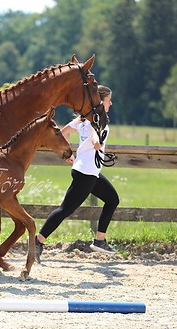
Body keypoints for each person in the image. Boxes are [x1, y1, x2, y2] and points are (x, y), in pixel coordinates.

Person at [35, 85, 119, 263]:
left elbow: (64, 132)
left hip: (87, 171)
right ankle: (37, 241)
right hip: (86, 172)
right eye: (108, 100)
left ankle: (99, 240)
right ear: (100, 100)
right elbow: (95, 138)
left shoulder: (84, 120)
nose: (110, 103)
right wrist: (96, 143)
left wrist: (68, 155)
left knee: (112, 199)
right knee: (65, 209)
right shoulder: (97, 122)